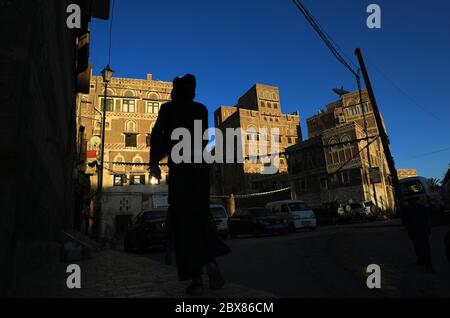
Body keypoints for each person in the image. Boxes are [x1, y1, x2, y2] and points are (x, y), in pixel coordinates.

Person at [149, 74, 230, 296]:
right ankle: (209, 262)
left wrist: (154, 162)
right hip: (199, 172)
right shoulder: (201, 110)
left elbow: (158, 136)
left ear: (175, 92)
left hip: (182, 173)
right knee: (200, 218)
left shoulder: (169, 109)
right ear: (192, 92)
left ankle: (197, 279)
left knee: (183, 223)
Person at [403, 197, 434, 273]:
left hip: (415, 231)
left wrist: (409, 231)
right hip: (422, 230)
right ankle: (428, 263)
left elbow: (406, 222)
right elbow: (427, 218)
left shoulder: (407, 209)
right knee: (425, 247)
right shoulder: (422, 207)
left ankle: (422, 260)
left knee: (417, 247)